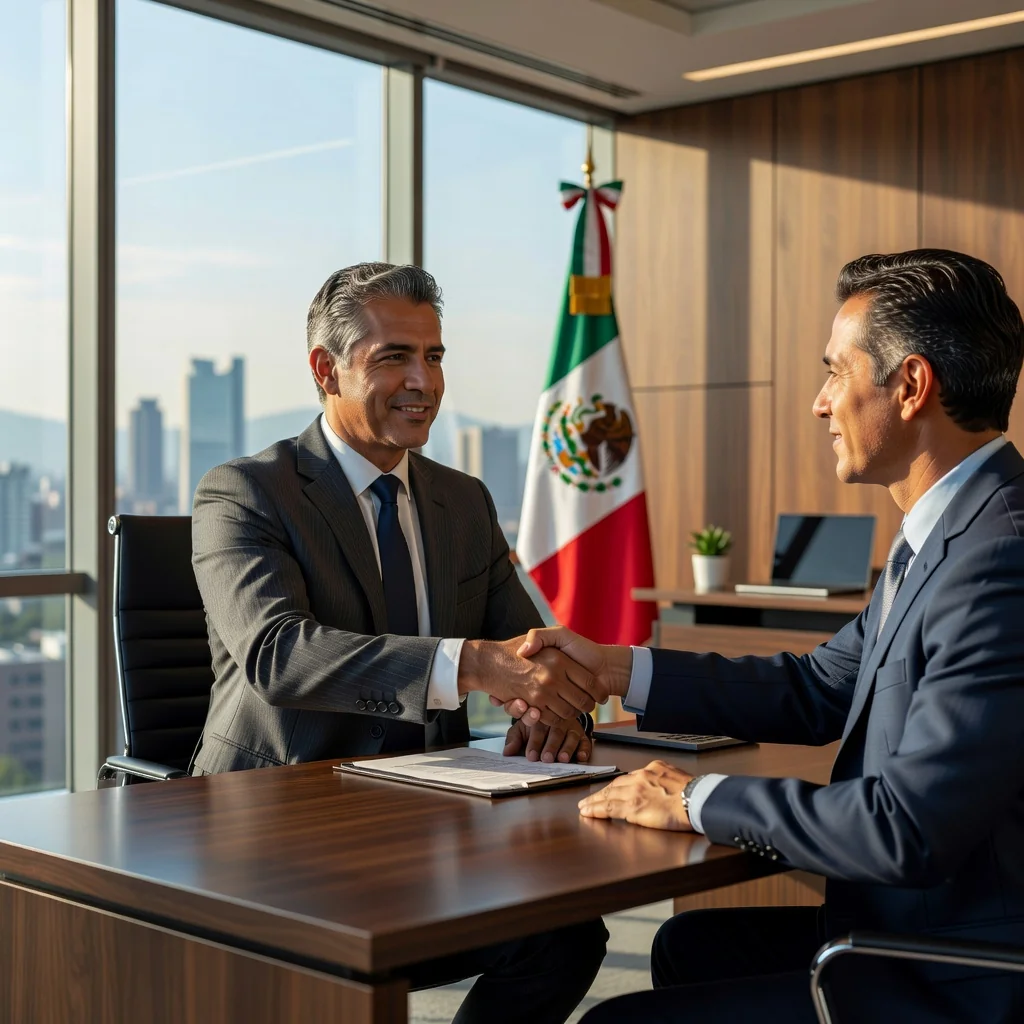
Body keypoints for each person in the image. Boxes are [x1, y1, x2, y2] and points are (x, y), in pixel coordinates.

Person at [513, 249, 1024, 1022]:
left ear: (912, 387)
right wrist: (616, 668)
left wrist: (696, 799)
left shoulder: (998, 558)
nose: (821, 403)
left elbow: (905, 829)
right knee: (685, 949)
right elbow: (819, 688)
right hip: (913, 924)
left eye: (836, 373)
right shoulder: (956, 529)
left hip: (963, 975)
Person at [189, 262, 608, 1024]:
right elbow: (278, 654)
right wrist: (469, 663)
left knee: (565, 935)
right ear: (326, 368)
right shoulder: (245, 492)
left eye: (435, 356)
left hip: (425, 814)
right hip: (274, 822)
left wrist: (553, 709)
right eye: (394, 358)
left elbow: (528, 648)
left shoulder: (462, 499)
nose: (424, 381)